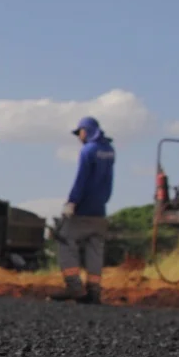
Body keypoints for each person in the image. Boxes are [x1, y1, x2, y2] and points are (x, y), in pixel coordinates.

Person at [52, 116, 116, 304]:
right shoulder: (109, 150)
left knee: (65, 239)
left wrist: (72, 202)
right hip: (100, 210)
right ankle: (94, 291)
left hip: (84, 209)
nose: (79, 136)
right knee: (95, 248)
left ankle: (75, 287)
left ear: (85, 131)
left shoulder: (88, 151)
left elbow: (81, 179)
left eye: (79, 132)